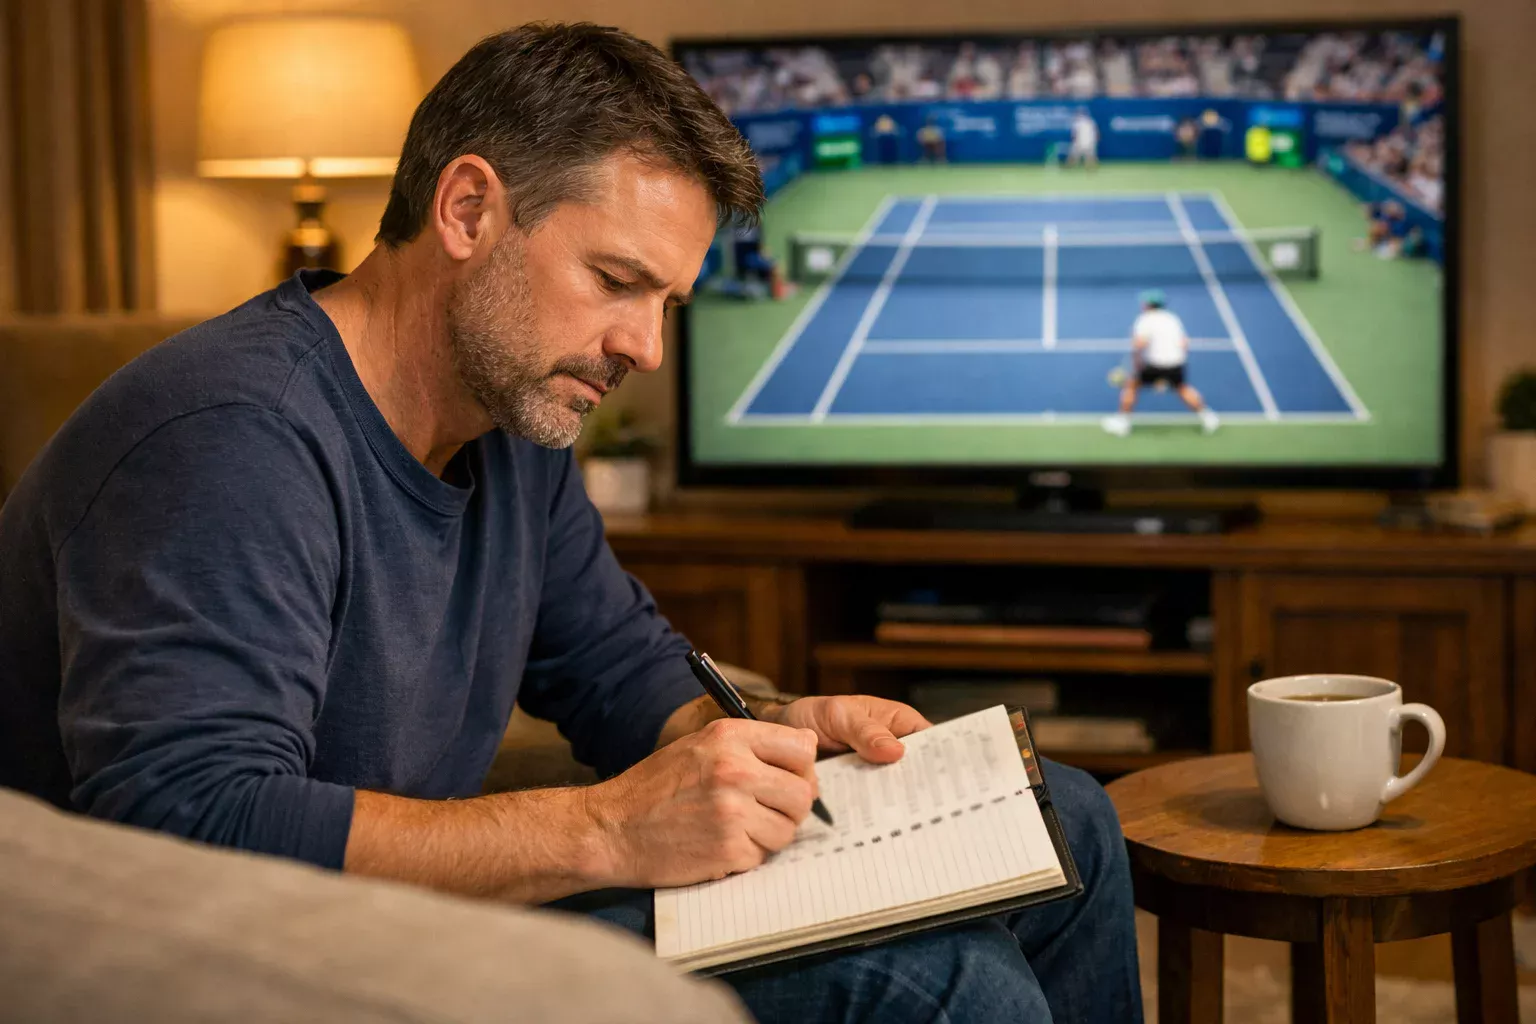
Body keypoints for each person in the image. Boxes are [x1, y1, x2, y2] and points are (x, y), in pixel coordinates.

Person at [0, 23, 1141, 1023]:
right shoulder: (229, 435)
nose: (645, 347)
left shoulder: (513, 424)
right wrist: (605, 830)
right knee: (947, 982)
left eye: (666, 303)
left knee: (1067, 823)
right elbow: (189, 823)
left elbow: (617, 672)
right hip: (261, 957)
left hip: (392, 910)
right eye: (615, 278)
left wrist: (783, 734)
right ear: (467, 210)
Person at [1103, 289, 1220, 437]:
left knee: (1131, 385)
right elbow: (1184, 343)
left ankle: (1122, 424)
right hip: (1176, 362)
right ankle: (1208, 417)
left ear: (1148, 305)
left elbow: (1139, 344)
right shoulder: (1172, 318)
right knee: (1182, 388)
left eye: (1144, 302)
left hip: (1155, 364)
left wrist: (1136, 363)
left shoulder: (1144, 319)